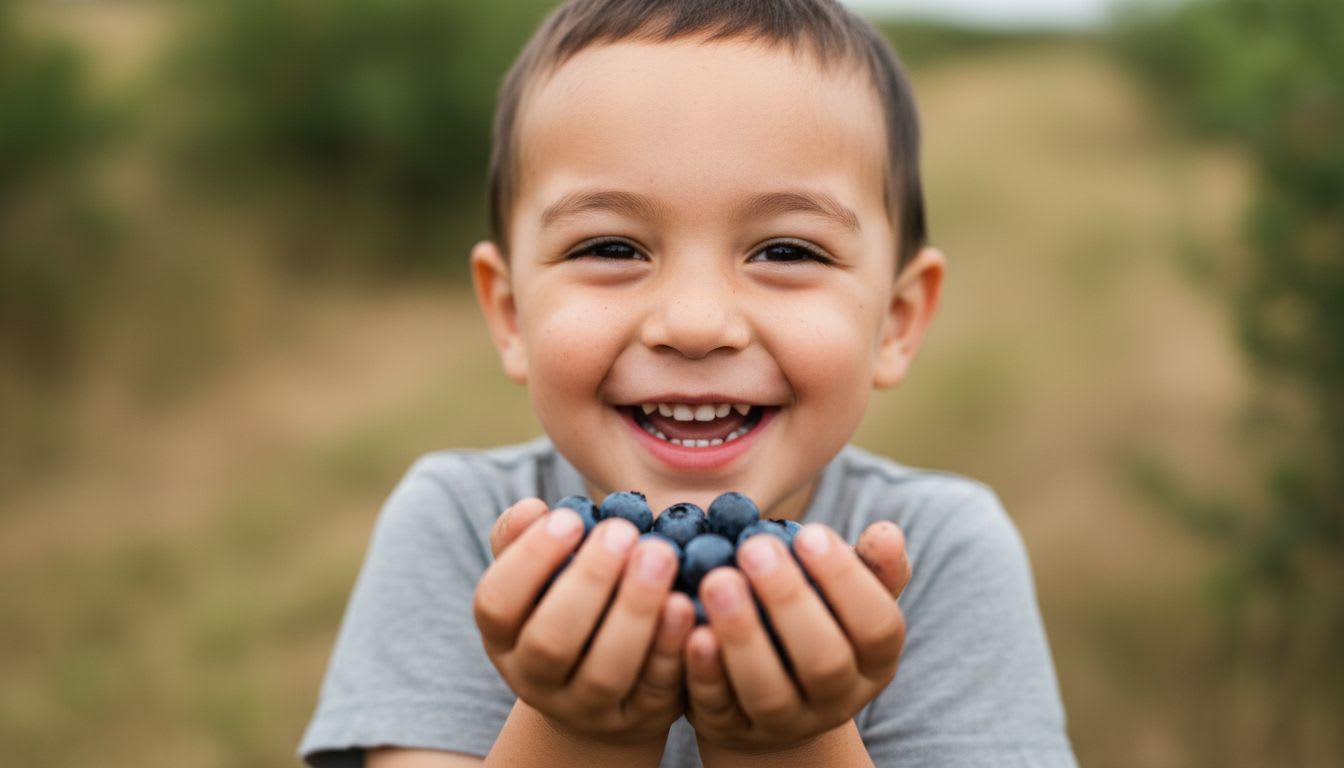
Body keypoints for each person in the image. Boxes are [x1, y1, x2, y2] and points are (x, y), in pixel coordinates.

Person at [299, 1, 1076, 765]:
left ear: (897, 322)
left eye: (786, 251)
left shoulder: (938, 553)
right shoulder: (462, 530)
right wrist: (579, 732)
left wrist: (793, 743)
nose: (696, 323)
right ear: (511, 315)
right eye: (611, 245)